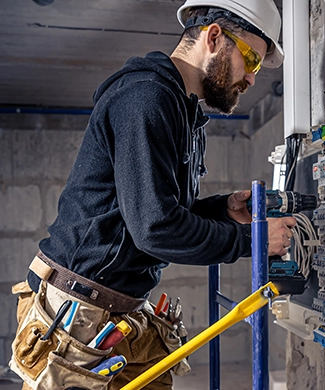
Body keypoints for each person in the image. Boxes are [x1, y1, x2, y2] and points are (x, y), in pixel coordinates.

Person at [10, 0, 296, 389]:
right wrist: (254, 241)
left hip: (118, 308)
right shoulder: (145, 97)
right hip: (76, 316)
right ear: (214, 37)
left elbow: (156, 209)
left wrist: (221, 211)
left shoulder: (183, 111)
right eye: (251, 60)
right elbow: (156, 228)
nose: (252, 79)